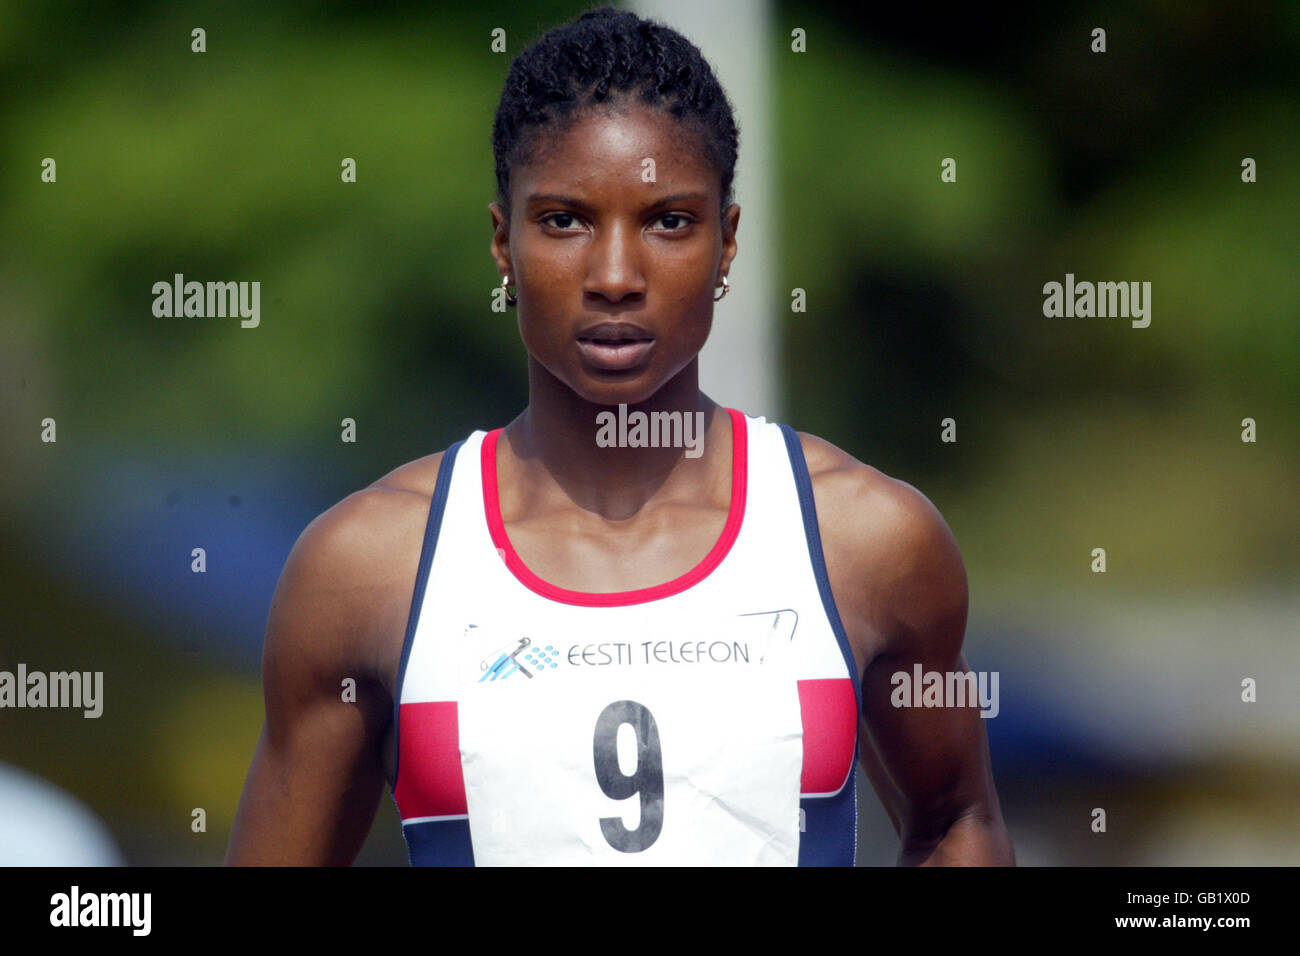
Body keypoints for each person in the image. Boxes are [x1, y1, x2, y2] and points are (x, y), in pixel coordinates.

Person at [226, 6, 1014, 866]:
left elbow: (954, 821)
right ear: (502, 244)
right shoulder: (368, 569)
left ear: (727, 243)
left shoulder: (865, 541)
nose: (614, 277)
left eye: (669, 221)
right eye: (564, 220)